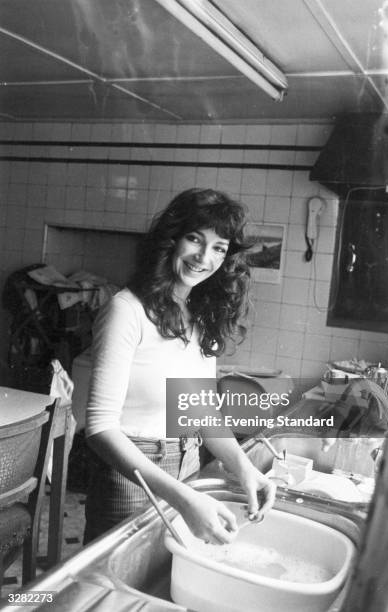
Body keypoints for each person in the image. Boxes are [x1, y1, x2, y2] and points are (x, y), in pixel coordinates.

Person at [83, 188, 276, 545]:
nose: (204, 257)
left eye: (219, 247)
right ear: (171, 240)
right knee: (117, 595)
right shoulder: (127, 311)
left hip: (187, 463)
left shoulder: (204, 313)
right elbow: (100, 428)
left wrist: (245, 469)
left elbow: (199, 412)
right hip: (132, 478)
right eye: (195, 239)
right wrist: (183, 497)